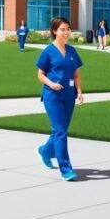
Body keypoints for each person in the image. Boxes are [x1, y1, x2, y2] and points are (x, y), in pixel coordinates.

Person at [35, 17, 84, 181]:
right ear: (55, 31)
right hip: (52, 96)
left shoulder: (72, 51)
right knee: (61, 130)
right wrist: (51, 84)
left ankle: (45, 151)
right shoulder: (48, 51)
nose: (66, 32)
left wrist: (80, 91)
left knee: (60, 130)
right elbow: (40, 75)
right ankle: (65, 169)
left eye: (68, 29)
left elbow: (76, 74)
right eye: (62, 29)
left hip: (69, 96)